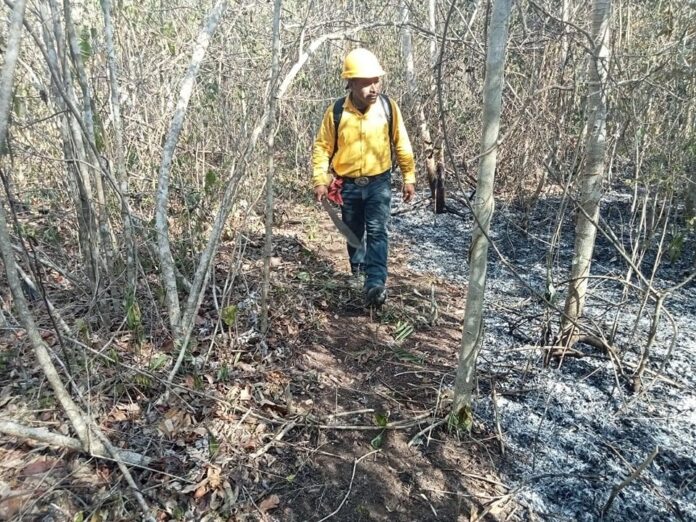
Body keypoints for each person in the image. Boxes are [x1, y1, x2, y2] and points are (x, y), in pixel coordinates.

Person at [311, 48, 416, 307]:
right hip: (346, 185)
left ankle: (375, 284)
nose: (374, 87)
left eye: (376, 80)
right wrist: (320, 180)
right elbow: (323, 147)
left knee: (378, 231)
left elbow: (401, 142)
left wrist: (409, 175)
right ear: (351, 83)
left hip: (379, 182)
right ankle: (359, 274)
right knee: (352, 231)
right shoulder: (336, 112)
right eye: (366, 82)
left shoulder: (388, 108)